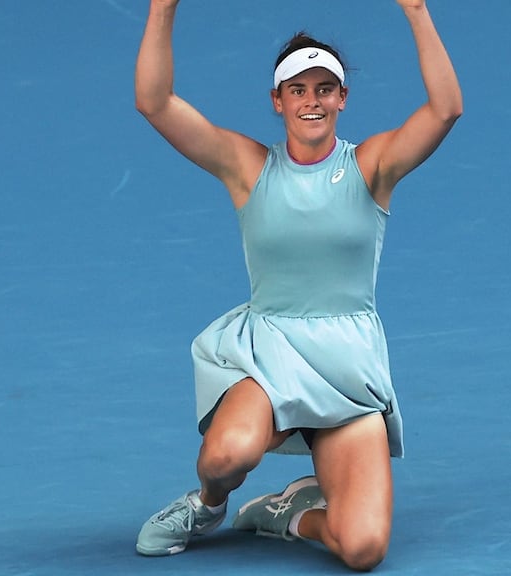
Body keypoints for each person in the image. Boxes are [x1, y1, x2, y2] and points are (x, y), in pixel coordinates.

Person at [133, 0, 462, 571]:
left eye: (325, 88)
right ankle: (208, 506)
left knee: (362, 549)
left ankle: (285, 513)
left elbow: (446, 110)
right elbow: (154, 103)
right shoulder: (248, 166)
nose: (313, 100)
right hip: (269, 356)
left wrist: (415, 10)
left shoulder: (373, 167)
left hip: (348, 369)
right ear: (278, 101)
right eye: (299, 89)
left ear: (342, 99)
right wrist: (163, 8)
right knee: (225, 456)